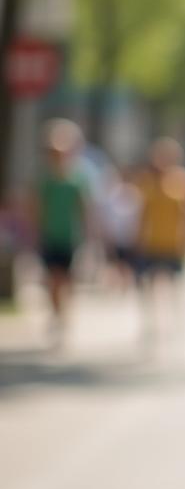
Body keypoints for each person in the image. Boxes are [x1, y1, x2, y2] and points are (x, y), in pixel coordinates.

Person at [135, 137, 185, 337]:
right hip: (152, 241)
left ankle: (176, 323)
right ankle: (152, 323)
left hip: (175, 242)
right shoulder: (146, 181)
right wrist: (137, 237)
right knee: (150, 284)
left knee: (175, 285)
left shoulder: (184, 181)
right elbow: (141, 213)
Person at [33, 118, 92, 341]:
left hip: (70, 236)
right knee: (52, 279)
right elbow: (36, 206)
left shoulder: (77, 178)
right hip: (49, 235)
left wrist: (89, 235)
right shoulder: (45, 179)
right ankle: (56, 314)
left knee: (66, 280)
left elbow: (84, 208)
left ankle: (64, 314)